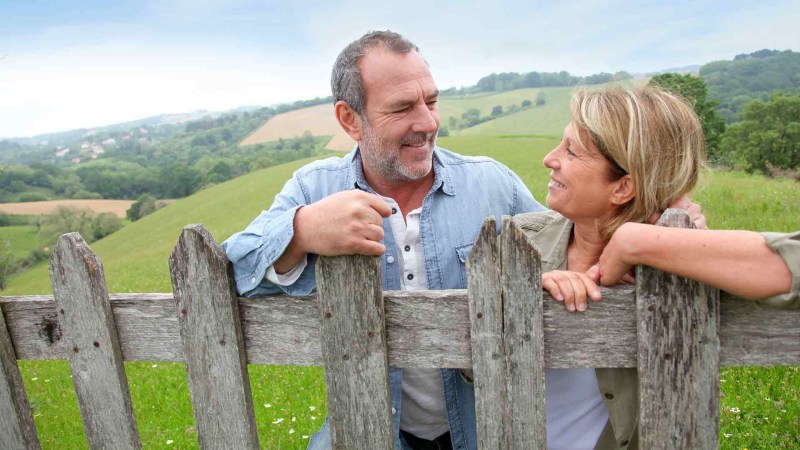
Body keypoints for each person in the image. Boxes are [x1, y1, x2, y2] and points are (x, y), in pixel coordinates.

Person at [222, 30, 546, 450]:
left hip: (490, 431)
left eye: (431, 101)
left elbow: (566, 245)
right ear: (350, 120)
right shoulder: (314, 189)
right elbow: (233, 271)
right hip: (368, 431)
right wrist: (302, 231)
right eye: (402, 107)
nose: (428, 123)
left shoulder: (492, 183)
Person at [513, 85, 797, 450]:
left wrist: (639, 241)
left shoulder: (679, 265)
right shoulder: (522, 241)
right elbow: (470, 368)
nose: (549, 159)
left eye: (571, 151)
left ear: (623, 187)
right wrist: (532, 294)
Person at [589, 225, 798, 306]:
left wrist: (634, 241)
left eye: (572, 152)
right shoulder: (557, 227)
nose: (553, 159)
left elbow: (786, 268)